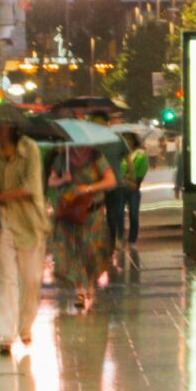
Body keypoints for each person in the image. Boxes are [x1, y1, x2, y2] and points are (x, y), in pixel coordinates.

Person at [0, 118, 49, 361]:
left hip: (30, 221)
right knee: (6, 278)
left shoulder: (30, 149)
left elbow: (31, 187)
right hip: (3, 221)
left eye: (2, 125)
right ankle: (5, 335)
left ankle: (25, 325)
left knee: (31, 278)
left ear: (12, 127)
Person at [50, 145, 116, 313]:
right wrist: (63, 180)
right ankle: (79, 290)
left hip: (93, 214)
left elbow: (111, 180)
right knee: (75, 251)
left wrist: (87, 188)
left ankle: (91, 282)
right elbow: (51, 181)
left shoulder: (96, 157)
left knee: (93, 251)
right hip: (71, 212)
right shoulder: (62, 158)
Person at [109, 131, 149, 272]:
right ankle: (119, 238)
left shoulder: (140, 155)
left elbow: (142, 170)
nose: (127, 142)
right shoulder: (118, 156)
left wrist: (134, 181)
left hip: (133, 189)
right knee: (119, 214)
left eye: (129, 140)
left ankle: (132, 241)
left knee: (133, 215)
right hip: (120, 188)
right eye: (124, 140)